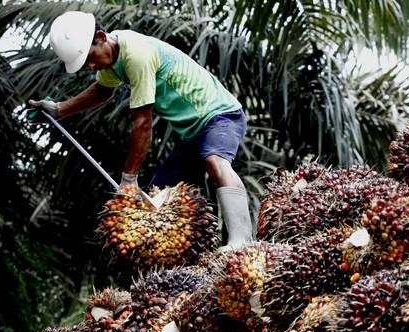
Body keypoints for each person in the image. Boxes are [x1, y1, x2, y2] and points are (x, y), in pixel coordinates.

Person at [29, 11, 253, 249]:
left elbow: (143, 124)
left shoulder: (136, 54)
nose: (91, 66)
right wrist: (59, 109)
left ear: (101, 37)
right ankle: (196, 257)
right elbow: (102, 90)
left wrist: (129, 178)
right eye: (86, 64)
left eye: (90, 59)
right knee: (162, 193)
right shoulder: (112, 59)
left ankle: (243, 242)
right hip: (193, 134)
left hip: (221, 115)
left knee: (215, 160)